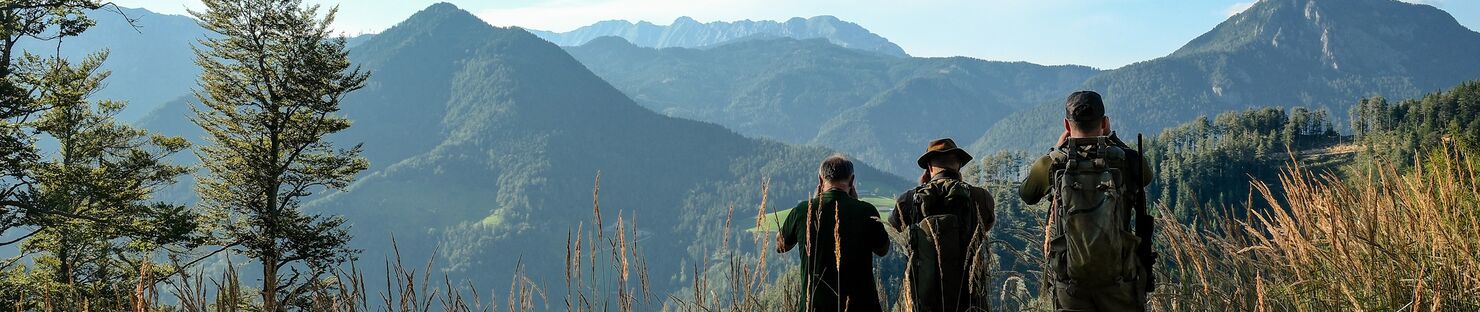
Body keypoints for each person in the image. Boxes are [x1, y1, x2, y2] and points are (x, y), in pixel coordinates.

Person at [1019, 91, 1155, 311]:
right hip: (1120, 280)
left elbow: (1027, 194)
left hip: (1071, 283)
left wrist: (1054, 151)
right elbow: (1146, 177)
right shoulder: (1128, 160)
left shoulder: (1053, 163)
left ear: (1066, 124)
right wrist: (1114, 140)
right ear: (1104, 122)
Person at [889, 138, 995, 312]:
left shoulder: (909, 199)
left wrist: (922, 190)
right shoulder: (981, 198)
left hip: (924, 297)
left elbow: (895, 227)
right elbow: (986, 226)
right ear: (959, 166)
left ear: (929, 168)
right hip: (969, 298)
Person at [777, 154, 891, 312]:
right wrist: (856, 204)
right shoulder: (866, 211)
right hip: (861, 306)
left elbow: (781, 245)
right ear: (851, 181)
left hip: (814, 306)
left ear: (820, 180)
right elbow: (883, 249)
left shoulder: (803, 210)